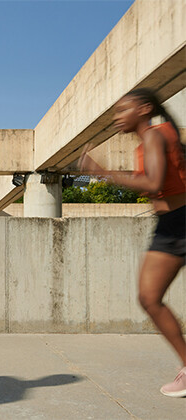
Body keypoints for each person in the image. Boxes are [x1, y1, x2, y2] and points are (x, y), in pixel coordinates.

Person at [79, 88, 186, 398]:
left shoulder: (154, 135)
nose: (117, 117)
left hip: (179, 222)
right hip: (170, 225)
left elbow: (153, 182)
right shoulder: (151, 140)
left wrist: (102, 173)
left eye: (122, 110)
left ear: (144, 109)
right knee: (149, 297)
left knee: (149, 298)